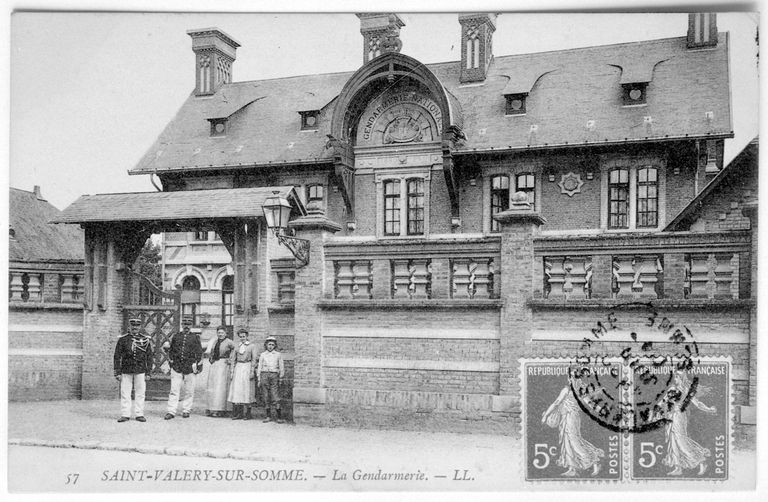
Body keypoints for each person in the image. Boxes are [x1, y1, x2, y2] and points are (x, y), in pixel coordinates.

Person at [662, 371, 717, 476]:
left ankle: (701, 461)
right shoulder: (672, 389)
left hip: (679, 417)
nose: (676, 379)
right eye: (675, 377)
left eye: (678, 377)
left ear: (682, 378)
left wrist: (709, 409)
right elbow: (663, 402)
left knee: (681, 442)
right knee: (673, 442)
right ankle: (678, 468)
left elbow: (698, 404)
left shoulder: (686, 390)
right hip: (670, 417)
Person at [542, 386, 604, 477]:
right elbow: (590, 404)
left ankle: (594, 460)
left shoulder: (570, 390)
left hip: (570, 417)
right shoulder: (576, 390)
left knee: (574, 441)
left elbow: (556, 403)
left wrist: (545, 415)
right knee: (567, 441)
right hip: (567, 416)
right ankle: (573, 468)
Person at [113, 317, 153, 422]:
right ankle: (125, 414)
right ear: (129, 327)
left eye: (137, 326)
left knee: (140, 392)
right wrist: (117, 371)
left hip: (140, 369)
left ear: (140, 327)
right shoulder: (123, 339)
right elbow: (117, 356)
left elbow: (149, 357)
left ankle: (139, 414)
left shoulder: (145, 340)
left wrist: (148, 372)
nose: (135, 327)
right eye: (133, 326)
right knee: (125, 392)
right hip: (126, 369)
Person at [163, 316, 203, 420]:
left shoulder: (195, 337)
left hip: (190, 368)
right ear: (182, 325)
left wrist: (198, 366)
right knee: (174, 390)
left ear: (191, 326)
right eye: (185, 324)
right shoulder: (176, 336)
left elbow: (199, 353)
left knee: (189, 390)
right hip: (177, 367)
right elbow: (171, 351)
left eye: (188, 324)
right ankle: (171, 411)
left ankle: (186, 410)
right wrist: (171, 363)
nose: (186, 326)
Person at [228, 328, 258, 420]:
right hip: (238, 368)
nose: (242, 338)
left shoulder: (252, 346)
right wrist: (232, 371)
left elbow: (254, 359)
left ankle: (247, 413)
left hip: (247, 367)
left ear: (247, 336)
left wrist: (252, 371)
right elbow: (233, 359)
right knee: (238, 389)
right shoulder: (237, 347)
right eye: (240, 337)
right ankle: (238, 413)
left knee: (247, 389)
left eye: (244, 336)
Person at [206, 326, 235, 417]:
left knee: (221, 387)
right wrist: (211, 359)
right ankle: (213, 408)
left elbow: (234, 351)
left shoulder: (229, 342)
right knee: (213, 387)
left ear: (226, 333)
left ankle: (222, 409)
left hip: (224, 365)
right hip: (215, 364)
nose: (220, 334)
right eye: (219, 333)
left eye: (222, 333)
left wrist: (230, 359)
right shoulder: (215, 341)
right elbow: (211, 351)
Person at [258, 336, 285, 423]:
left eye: (272, 345)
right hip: (264, 374)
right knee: (265, 395)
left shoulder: (278, 355)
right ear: (266, 345)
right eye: (269, 344)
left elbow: (281, 367)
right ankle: (268, 416)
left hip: (274, 375)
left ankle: (279, 417)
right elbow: (259, 367)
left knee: (275, 396)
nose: (270, 346)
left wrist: (281, 377)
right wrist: (259, 378)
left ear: (275, 346)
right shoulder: (263, 355)